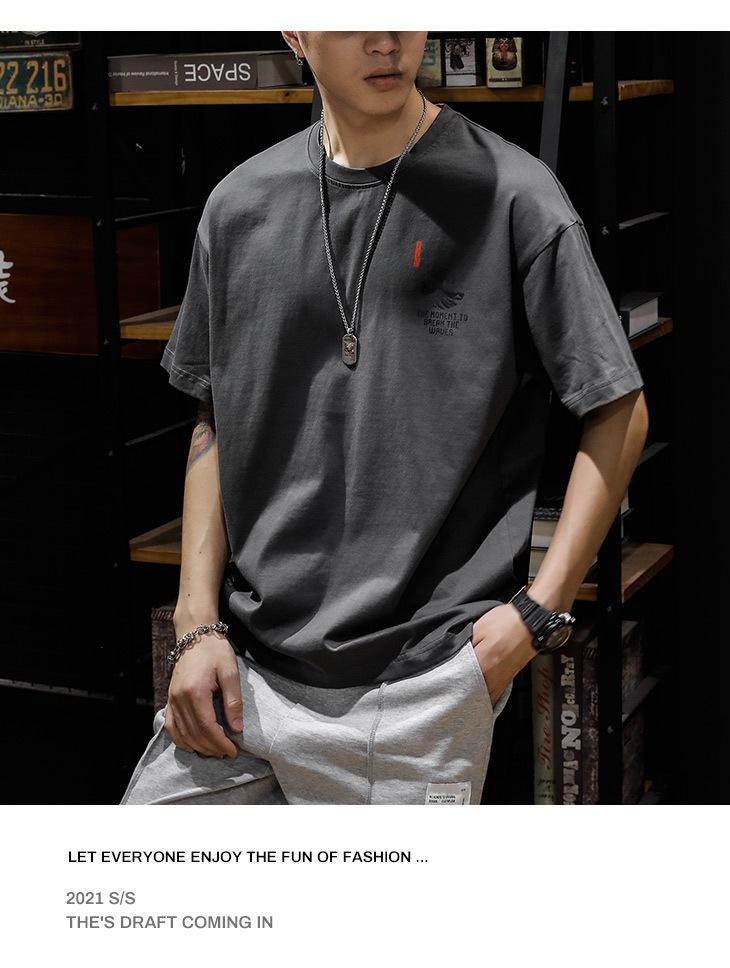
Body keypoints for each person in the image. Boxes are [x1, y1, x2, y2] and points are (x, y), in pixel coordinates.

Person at [120, 31, 648, 806]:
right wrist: (196, 624)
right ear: (294, 30)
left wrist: (537, 614)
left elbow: (619, 407)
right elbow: (216, 418)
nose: (387, 38)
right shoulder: (238, 206)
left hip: (419, 690)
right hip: (246, 676)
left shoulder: (513, 194)